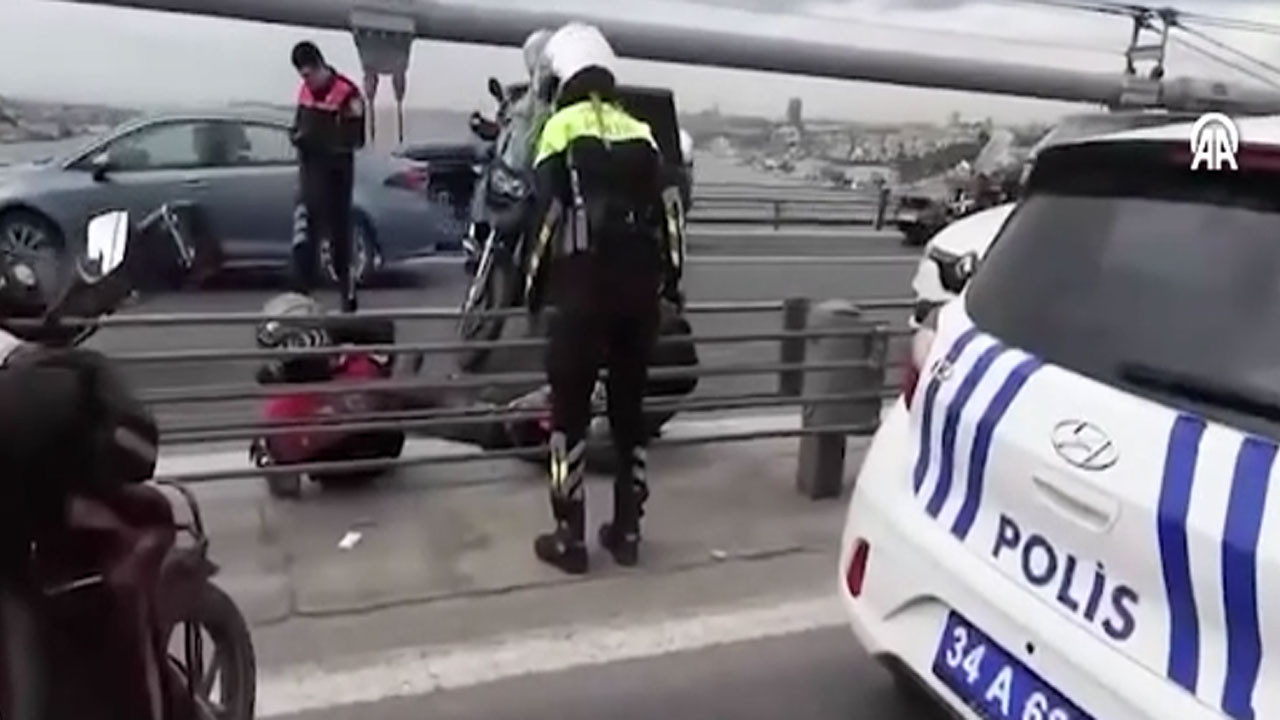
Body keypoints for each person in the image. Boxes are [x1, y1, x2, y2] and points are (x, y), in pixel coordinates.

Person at [524, 22, 684, 575]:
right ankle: (628, 531)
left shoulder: (559, 128)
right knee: (628, 413)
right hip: (638, 296)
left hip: (581, 292)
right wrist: (672, 284)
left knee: (568, 414)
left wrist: (533, 291)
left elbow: (545, 217)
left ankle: (569, 538)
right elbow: (671, 215)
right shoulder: (642, 132)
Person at [288, 41, 366, 313]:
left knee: (339, 242)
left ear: (320, 66)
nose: (307, 81)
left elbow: (355, 139)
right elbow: (298, 126)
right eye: (302, 76)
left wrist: (322, 140)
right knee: (303, 241)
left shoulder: (347, 93)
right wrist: (299, 137)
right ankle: (301, 303)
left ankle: (348, 299)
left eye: (309, 74)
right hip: (309, 176)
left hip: (336, 178)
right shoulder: (304, 92)